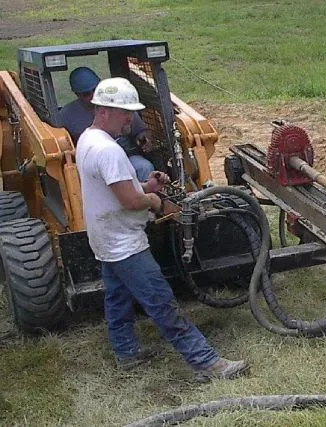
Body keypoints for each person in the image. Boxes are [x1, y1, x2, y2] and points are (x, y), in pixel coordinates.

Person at [75, 77, 248, 381]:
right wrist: (155, 200)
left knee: (117, 299)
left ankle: (126, 353)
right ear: (103, 110)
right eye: (124, 112)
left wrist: (147, 185)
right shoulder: (109, 151)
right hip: (124, 242)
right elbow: (129, 200)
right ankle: (206, 363)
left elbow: (119, 188)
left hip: (103, 239)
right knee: (161, 301)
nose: (130, 118)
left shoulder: (88, 140)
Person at [60, 66, 155, 181]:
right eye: (86, 94)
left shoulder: (118, 103)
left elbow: (141, 131)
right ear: (77, 94)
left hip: (127, 156)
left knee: (144, 167)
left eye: (95, 89)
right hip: (93, 164)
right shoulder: (65, 115)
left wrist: (144, 139)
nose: (92, 95)